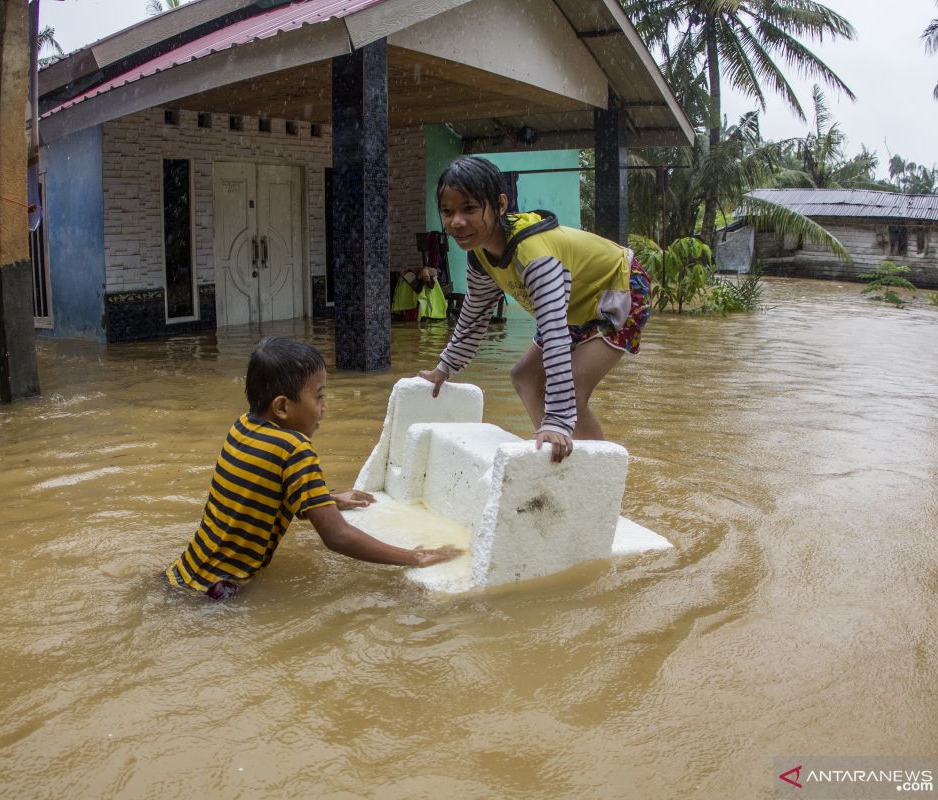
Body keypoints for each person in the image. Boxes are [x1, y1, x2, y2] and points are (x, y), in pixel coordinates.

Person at [165, 336, 461, 600]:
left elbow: (258, 492)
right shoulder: (294, 449)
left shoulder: (242, 427)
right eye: (318, 396)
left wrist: (327, 499)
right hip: (217, 592)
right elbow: (337, 537)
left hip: (182, 574)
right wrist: (413, 557)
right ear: (282, 407)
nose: (324, 407)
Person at [417, 156, 651, 463]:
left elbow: (554, 332)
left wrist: (558, 418)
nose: (456, 222)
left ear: (500, 205)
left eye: (469, 209)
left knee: (574, 391)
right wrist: (443, 369)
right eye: (448, 212)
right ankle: (555, 458)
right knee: (524, 376)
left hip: (618, 289)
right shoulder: (481, 257)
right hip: (571, 303)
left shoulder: (534, 255)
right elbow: (473, 317)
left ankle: (597, 476)